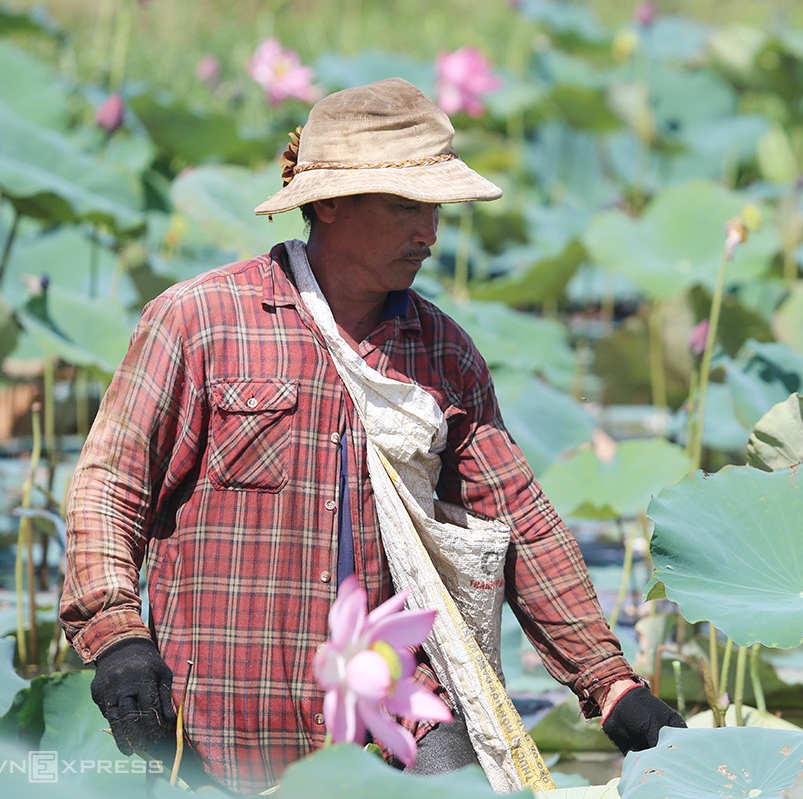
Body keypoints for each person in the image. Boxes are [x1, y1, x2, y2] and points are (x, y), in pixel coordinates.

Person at [60, 77, 684, 796]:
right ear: (327, 203)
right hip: (225, 714)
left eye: (435, 208)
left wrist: (610, 686)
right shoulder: (201, 322)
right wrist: (117, 633)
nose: (429, 232)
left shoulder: (442, 354)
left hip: (392, 705)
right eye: (404, 208)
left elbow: (521, 525)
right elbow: (111, 485)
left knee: (459, 774)